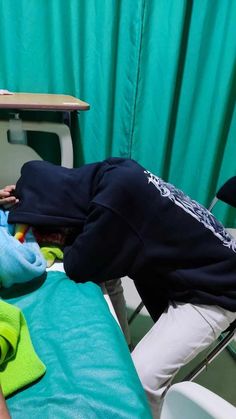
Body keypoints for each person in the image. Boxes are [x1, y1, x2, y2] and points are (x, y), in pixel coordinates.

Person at [7, 157, 236, 418]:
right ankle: (121, 347)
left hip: (216, 292)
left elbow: (77, 266)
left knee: (141, 381)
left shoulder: (112, 203)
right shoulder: (109, 172)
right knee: (106, 267)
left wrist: (64, 236)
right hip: (198, 263)